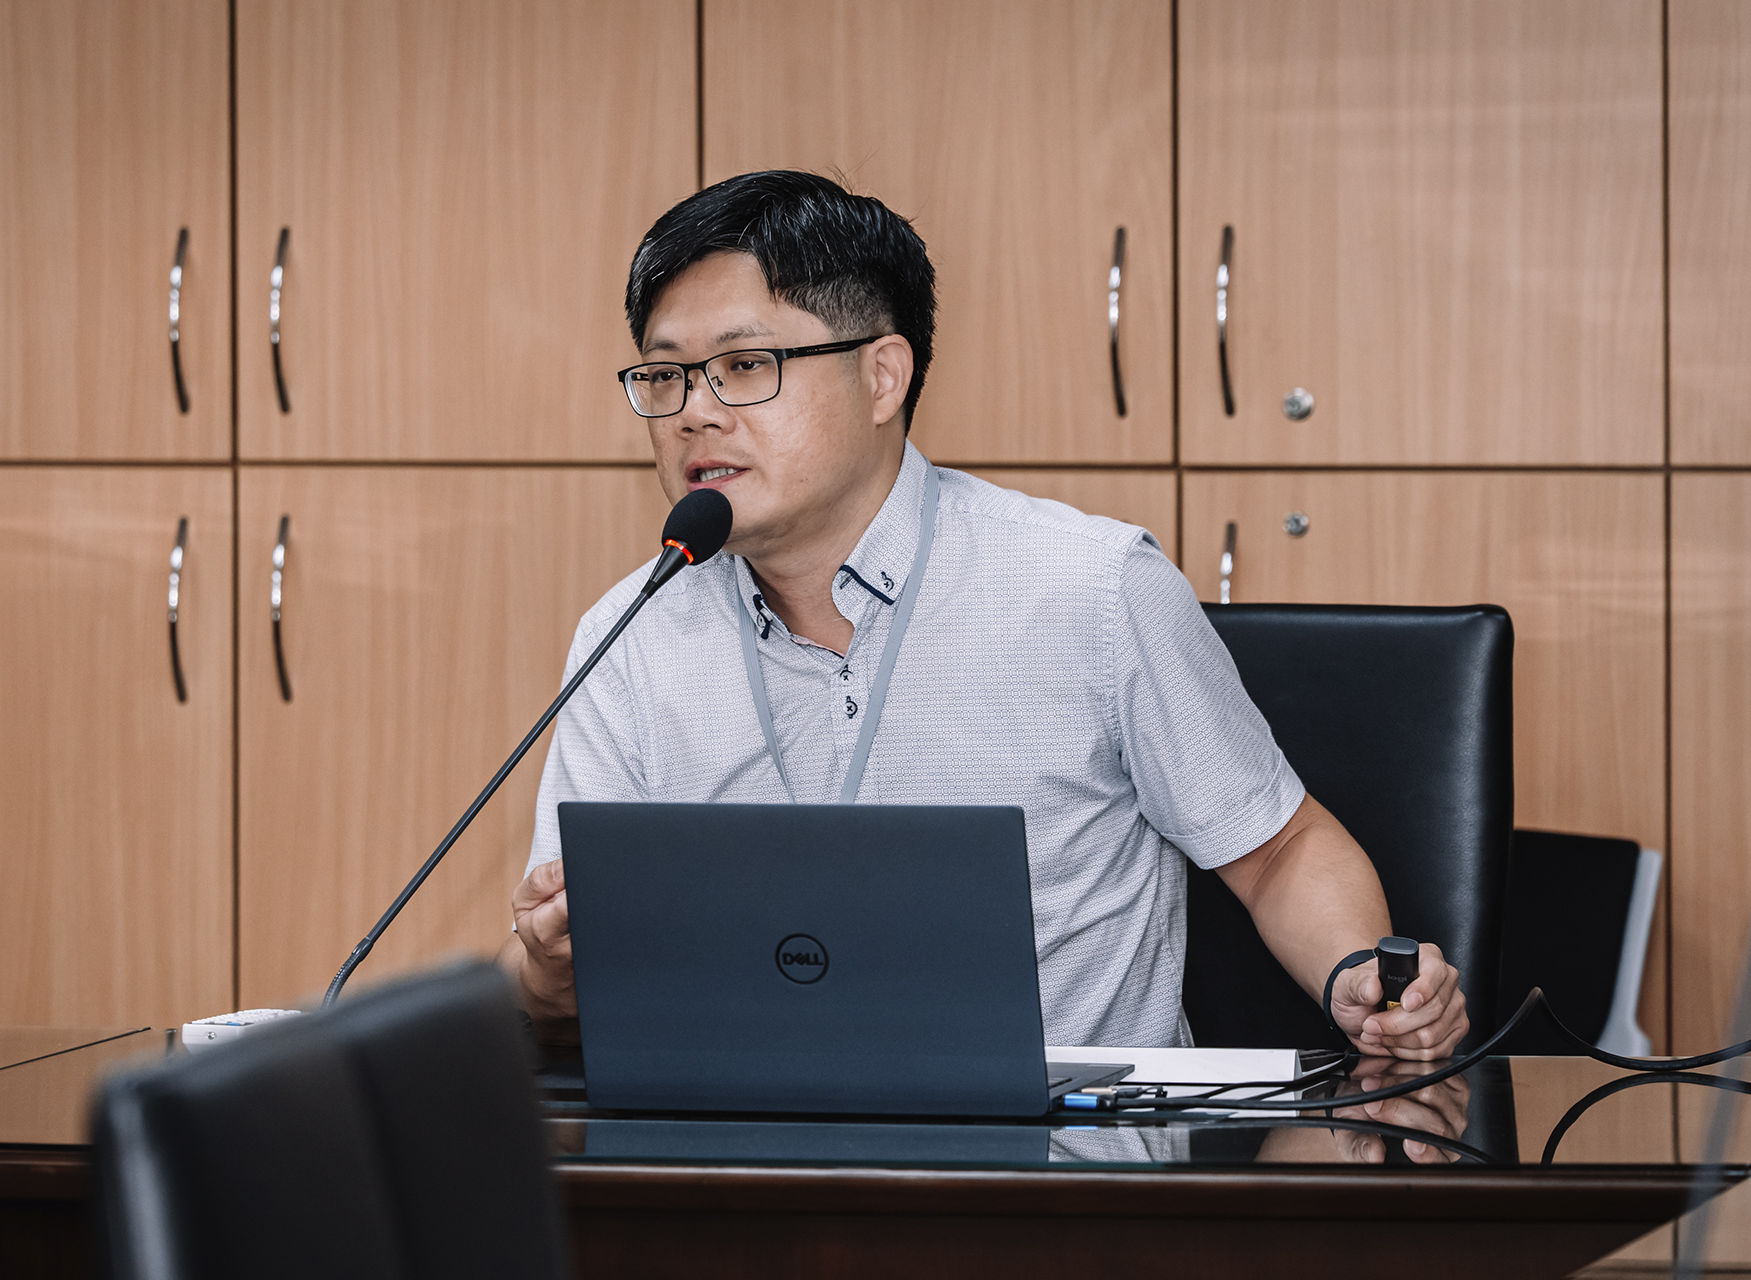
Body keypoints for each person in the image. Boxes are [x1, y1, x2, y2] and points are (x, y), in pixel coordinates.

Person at [498, 170, 1468, 1058]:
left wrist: (1358, 975)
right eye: (664, 376)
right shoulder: (631, 634)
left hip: (1058, 1166)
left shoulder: (1091, 590)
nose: (693, 413)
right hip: (743, 1162)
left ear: (883, 376)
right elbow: (549, 968)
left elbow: (1280, 848)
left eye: (745, 365)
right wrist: (544, 973)